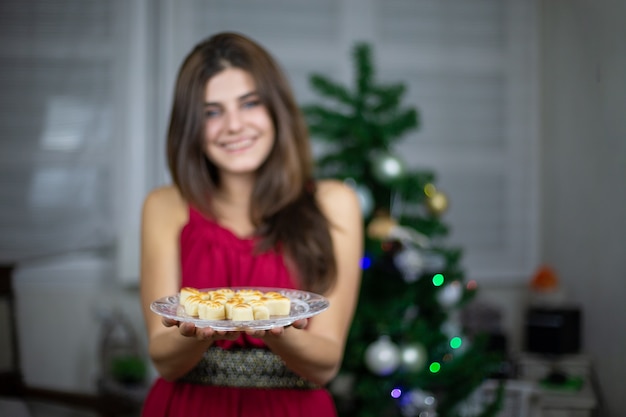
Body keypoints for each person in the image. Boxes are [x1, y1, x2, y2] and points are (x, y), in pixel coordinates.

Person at [139, 32, 363, 417]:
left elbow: (325, 362)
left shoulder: (334, 203)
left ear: (276, 109)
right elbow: (164, 358)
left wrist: (274, 331)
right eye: (212, 112)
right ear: (191, 126)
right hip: (187, 407)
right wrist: (195, 334)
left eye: (250, 103)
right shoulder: (165, 205)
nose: (234, 125)